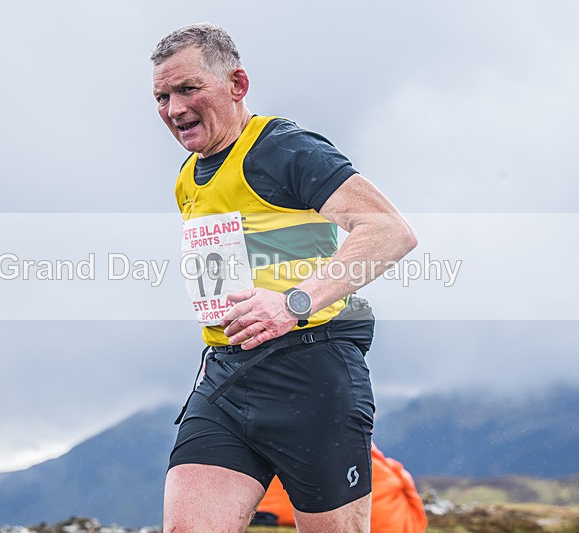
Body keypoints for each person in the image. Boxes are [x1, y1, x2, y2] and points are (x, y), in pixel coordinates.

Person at [151, 23, 417, 533]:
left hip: (312, 374)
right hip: (228, 378)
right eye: (162, 96)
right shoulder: (188, 175)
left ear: (237, 84)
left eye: (188, 89)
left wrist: (293, 302)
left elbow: (389, 232)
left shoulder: (283, 147)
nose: (174, 108)